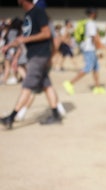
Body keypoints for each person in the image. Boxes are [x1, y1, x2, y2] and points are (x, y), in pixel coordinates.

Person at [1, 0, 62, 129]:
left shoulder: (38, 12)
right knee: (46, 85)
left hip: (38, 56)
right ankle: (56, 115)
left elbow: (46, 33)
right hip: (36, 55)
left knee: (27, 85)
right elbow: (24, 37)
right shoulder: (28, 15)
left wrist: (26, 39)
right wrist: (9, 45)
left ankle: (11, 117)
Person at [63, 7, 105, 95]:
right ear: (93, 14)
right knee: (88, 67)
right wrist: (99, 50)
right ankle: (70, 83)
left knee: (96, 68)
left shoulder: (86, 22)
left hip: (88, 48)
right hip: (90, 48)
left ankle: (97, 87)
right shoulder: (91, 23)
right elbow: (94, 38)